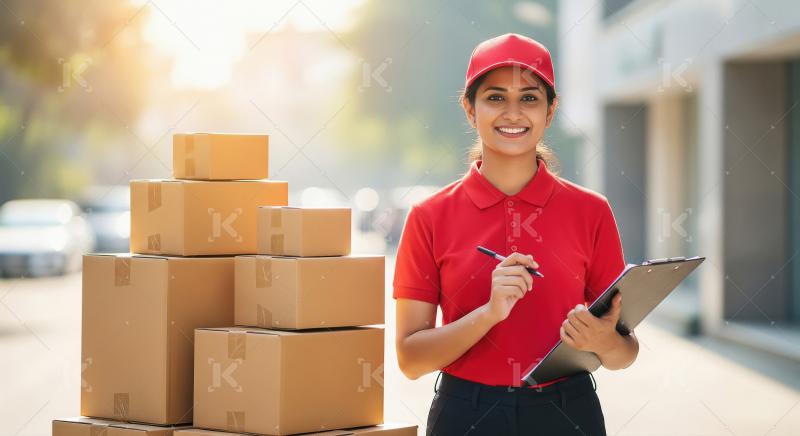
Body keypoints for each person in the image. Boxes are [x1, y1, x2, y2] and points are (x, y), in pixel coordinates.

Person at [392, 33, 639, 436]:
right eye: (494, 97)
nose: (513, 113)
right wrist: (489, 314)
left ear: (550, 110)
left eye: (529, 98)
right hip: (466, 415)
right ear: (470, 110)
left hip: (568, 412)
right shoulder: (429, 216)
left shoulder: (591, 211)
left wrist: (605, 340)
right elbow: (410, 359)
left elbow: (624, 354)